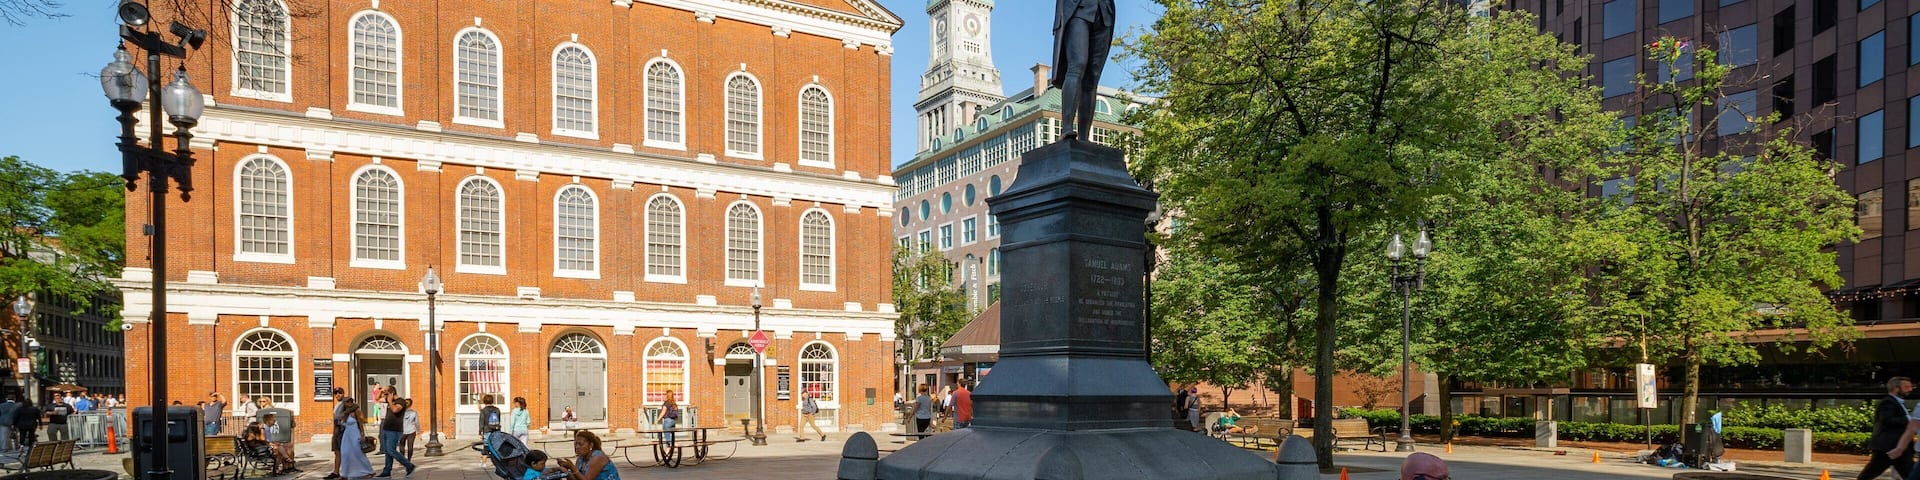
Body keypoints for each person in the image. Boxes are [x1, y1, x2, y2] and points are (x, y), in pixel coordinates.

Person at [1050, 0, 1116, 139]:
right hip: (1077, 9)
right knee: (1077, 65)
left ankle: (1084, 137)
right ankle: (1067, 128)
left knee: (1092, 77)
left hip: (1104, 12)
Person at [1867, 377, 1917, 480]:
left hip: (1900, 447)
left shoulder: (1898, 402)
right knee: (1870, 473)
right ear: (1896, 388)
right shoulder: (1888, 402)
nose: (1910, 389)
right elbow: (1887, 420)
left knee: (1911, 474)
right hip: (1887, 447)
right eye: (1906, 387)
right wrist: (1909, 419)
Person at [554, 431, 619, 480]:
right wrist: (565, 470)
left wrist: (572, 467)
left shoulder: (597, 457)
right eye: (575, 444)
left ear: (590, 445)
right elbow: (576, 478)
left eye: (580, 444)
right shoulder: (580, 458)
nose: (577, 447)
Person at [376, 398, 415, 478]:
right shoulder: (388, 400)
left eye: (387, 393)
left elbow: (395, 410)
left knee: (391, 450)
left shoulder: (400, 401)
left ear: (392, 393)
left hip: (394, 430)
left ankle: (409, 465)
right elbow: (378, 399)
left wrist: (390, 400)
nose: (385, 395)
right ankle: (387, 471)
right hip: (386, 428)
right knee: (387, 451)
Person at [337, 397, 375, 479]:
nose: (350, 403)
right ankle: (345, 473)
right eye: (348, 401)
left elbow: (361, 423)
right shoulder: (344, 413)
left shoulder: (356, 410)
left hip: (355, 433)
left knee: (358, 453)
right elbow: (338, 419)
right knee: (345, 453)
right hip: (347, 435)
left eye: (351, 401)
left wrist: (362, 434)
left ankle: (369, 471)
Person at [326, 388, 350, 480]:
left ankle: (346, 473)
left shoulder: (346, 403)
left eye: (340, 393)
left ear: (343, 393)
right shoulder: (337, 405)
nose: (338, 395)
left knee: (344, 452)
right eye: (336, 393)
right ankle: (336, 472)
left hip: (342, 429)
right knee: (337, 452)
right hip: (336, 430)